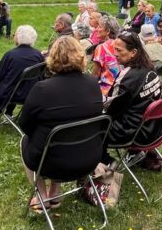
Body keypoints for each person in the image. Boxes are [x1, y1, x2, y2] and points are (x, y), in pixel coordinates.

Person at [19, 35, 104, 212]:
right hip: (89, 158)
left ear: (52, 57)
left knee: (26, 141)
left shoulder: (42, 88)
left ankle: (42, 196)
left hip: (52, 162)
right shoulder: (93, 84)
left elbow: (25, 125)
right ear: (81, 56)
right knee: (64, 135)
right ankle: (55, 192)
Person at [104, 31, 162, 147]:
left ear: (133, 52)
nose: (115, 54)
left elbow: (110, 108)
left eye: (119, 50)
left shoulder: (127, 76)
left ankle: (106, 160)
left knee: (91, 125)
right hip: (156, 127)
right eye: (114, 49)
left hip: (132, 132)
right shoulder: (149, 67)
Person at [0, 25, 45, 128]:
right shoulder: (38, 55)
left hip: (13, 94)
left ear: (17, 38)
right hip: (32, 92)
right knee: (14, 83)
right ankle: (8, 113)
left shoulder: (10, 55)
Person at [90, 14, 121, 95]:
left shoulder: (101, 47)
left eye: (100, 26)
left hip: (107, 89)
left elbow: (96, 75)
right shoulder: (121, 43)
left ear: (108, 31)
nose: (97, 29)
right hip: (122, 84)